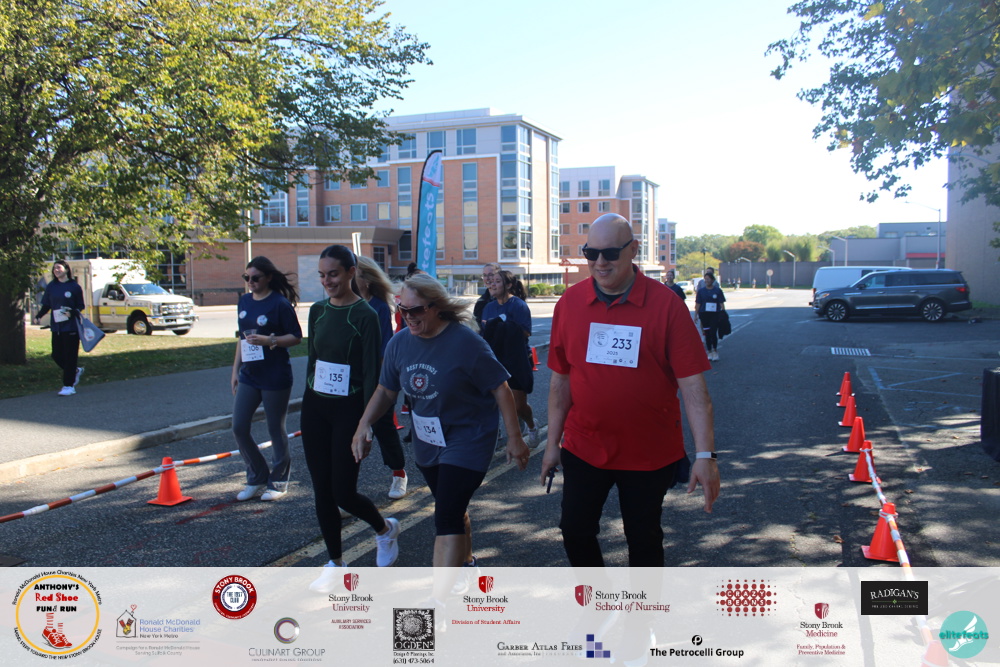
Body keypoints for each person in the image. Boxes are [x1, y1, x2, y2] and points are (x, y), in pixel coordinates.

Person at [539, 213, 720, 567]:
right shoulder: (570, 304)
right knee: (574, 530)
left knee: (643, 538)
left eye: (610, 253)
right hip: (584, 445)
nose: (600, 263)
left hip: (648, 451)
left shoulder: (667, 306)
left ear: (633, 250)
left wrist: (705, 456)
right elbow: (561, 381)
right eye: (591, 253)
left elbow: (694, 390)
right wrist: (551, 445)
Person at [352, 274, 529, 599]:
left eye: (416, 310)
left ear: (436, 307)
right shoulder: (399, 343)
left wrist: (515, 437)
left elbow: (500, 388)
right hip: (429, 441)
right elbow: (386, 390)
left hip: (469, 437)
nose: (408, 317)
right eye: (403, 310)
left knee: (445, 514)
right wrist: (364, 424)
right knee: (452, 507)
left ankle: (438, 601)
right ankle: (467, 562)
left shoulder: (466, 342)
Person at [302, 245, 400, 591]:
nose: (327, 281)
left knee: (342, 492)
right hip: (315, 407)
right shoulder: (317, 311)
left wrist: (366, 423)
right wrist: (309, 404)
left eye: (333, 274)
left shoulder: (365, 315)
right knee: (322, 490)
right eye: (322, 275)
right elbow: (313, 361)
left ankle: (385, 529)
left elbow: (373, 373)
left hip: (349, 409)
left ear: (350, 272)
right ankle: (335, 562)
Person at [231, 257, 303, 502]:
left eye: (255, 278)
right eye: (247, 277)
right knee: (239, 426)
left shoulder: (279, 304)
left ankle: (279, 481)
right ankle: (257, 476)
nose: (250, 282)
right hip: (250, 375)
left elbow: (296, 337)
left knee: (275, 429)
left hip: (275, 375)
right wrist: (235, 371)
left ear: (268, 277)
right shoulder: (244, 301)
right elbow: (242, 338)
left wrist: (270, 340)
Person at [355, 255, 408, 500]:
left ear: (366, 280)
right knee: (348, 431)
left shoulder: (378, 307)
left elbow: (384, 349)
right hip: (350, 381)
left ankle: (399, 473)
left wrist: (383, 384)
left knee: (383, 427)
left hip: (376, 379)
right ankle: (346, 489)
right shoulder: (346, 304)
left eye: (354, 274)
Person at [480, 269, 537, 446]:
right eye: (491, 281)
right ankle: (503, 434)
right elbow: (484, 333)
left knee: (519, 406)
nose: (492, 284)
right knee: (494, 402)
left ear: (509, 285)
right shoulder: (488, 307)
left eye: (497, 281)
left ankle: (532, 426)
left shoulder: (518, 305)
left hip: (517, 359)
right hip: (495, 359)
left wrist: (502, 325)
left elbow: (526, 332)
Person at [33, 260, 86, 396]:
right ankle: (75, 371)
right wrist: (39, 316)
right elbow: (47, 305)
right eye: (54, 268)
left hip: (71, 327)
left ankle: (68, 386)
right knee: (56, 355)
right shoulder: (52, 286)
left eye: (59, 267)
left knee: (70, 356)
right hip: (57, 327)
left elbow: (80, 305)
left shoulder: (74, 286)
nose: (56, 270)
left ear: (66, 269)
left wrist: (72, 312)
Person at [696, 270, 726, 361]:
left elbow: (721, 303)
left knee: (713, 333)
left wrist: (723, 313)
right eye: (705, 279)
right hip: (704, 314)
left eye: (708, 279)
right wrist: (696, 315)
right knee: (707, 334)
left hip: (714, 314)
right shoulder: (701, 291)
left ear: (712, 280)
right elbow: (698, 303)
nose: (707, 281)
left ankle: (715, 351)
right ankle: (709, 351)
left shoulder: (717, 290)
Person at [473, 262, 501, 330]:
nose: (487, 278)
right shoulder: (481, 301)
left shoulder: (506, 299)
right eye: (485, 275)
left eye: (491, 275)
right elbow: (476, 325)